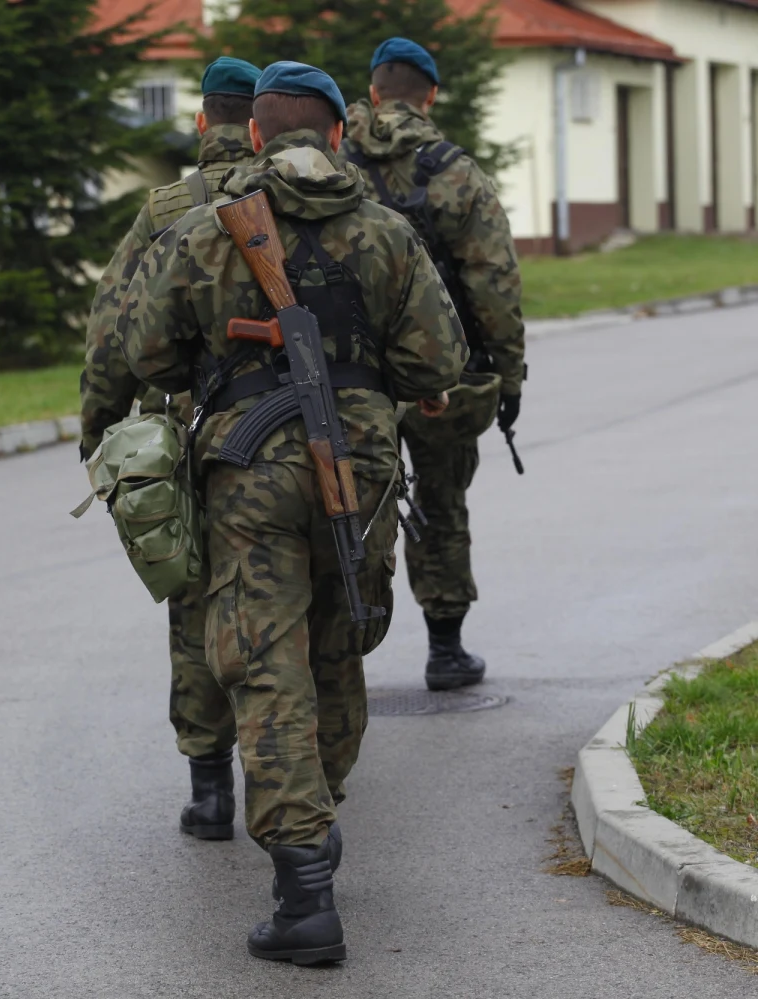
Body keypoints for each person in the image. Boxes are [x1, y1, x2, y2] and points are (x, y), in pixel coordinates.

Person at [119, 61, 466, 964]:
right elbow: (437, 367)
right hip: (358, 466)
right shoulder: (387, 233)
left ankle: (305, 888)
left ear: (258, 138)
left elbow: (147, 354)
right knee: (338, 640)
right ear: (341, 136)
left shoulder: (203, 232)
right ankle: (317, 820)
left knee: (266, 661)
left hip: (248, 474)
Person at [79, 57, 262, 841]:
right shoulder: (293, 196)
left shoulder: (165, 210)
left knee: (194, 602)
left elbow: (111, 331)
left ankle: (210, 789)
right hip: (289, 426)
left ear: (200, 123)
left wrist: (100, 434)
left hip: (191, 431)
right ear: (260, 124)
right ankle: (295, 777)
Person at [345, 37, 526, 692]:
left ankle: (343, 650)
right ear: (430, 95)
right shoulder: (455, 172)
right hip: (442, 374)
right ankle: (445, 649)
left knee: (356, 503)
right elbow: (494, 284)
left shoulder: (331, 166)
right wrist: (508, 375)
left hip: (349, 375)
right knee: (441, 497)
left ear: (373, 92)